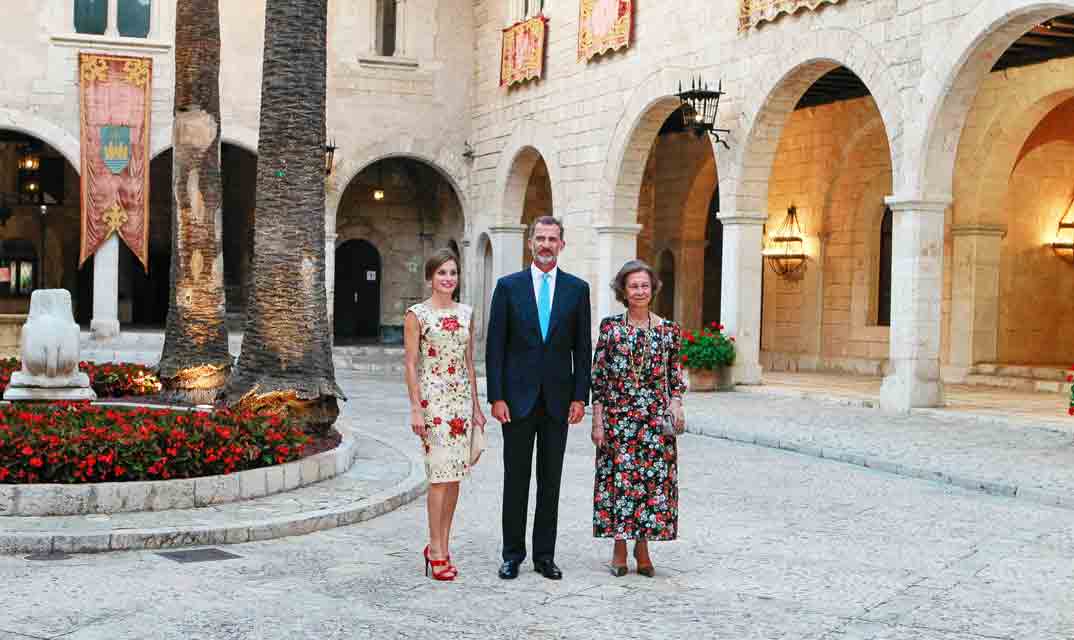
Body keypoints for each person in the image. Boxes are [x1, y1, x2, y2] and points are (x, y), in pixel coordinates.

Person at [486, 215, 592, 580]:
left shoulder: (577, 290)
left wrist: (581, 397)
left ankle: (545, 556)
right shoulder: (508, 287)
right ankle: (512, 554)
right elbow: (495, 348)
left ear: (562, 244)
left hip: (558, 403)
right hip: (515, 401)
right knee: (515, 479)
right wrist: (496, 396)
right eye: (540, 238)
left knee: (551, 481)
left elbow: (583, 348)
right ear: (530, 242)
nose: (546, 245)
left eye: (553, 239)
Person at [590, 259, 686, 577]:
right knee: (619, 483)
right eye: (633, 285)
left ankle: (642, 546)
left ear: (653, 288)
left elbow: (675, 377)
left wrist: (676, 405)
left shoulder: (669, 330)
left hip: (654, 423)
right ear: (623, 290)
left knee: (650, 484)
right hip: (619, 419)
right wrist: (598, 421)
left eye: (645, 285)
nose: (640, 291)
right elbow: (599, 378)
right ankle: (619, 545)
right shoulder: (610, 327)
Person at [404, 248, 487, 581]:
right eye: (442, 273)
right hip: (433, 404)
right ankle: (435, 548)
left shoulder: (466, 313)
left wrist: (477, 408)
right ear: (430, 277)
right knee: (439, 478)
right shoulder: (417, 314)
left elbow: (469, 363)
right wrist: (415, 408)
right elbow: (410, 363)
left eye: (453, 272)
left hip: (461, 403)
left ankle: (443, 544)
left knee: (454, 478)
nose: (448, 278)